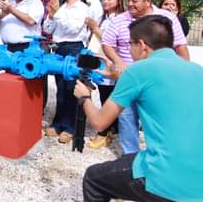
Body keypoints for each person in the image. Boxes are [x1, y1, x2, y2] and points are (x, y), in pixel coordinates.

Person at [75, 15, 203, 202]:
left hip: (167, 177)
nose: (128, 49)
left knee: (94, 179)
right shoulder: (196, 70)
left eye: (129, 44)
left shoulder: (138, 70)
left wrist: (84, 96)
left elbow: (99, 123)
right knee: (128, 163)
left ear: (142, 45)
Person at [102, 0, 189, 154]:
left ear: (148, 1)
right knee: (127, 118)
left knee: (158, 118)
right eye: (128, 1)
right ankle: (131, 157)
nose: (130, 4)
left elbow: (180, 47)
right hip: (129, 78)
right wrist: (118, 62)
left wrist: (182, 71)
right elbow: (107, 44)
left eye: (135, 1)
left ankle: (161, 154)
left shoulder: (166, 19)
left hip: (159, 81)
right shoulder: (119, 20)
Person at [42, 0, 90, 144]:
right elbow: (47, 29)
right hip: (60, 48)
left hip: (74, 48)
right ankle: (58, 124)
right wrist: (51, 15)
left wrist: (57, 13)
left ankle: (70, 127)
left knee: (71, 89)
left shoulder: (82, 8)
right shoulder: (61, 8)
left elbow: (72, 28)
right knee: (60, 88)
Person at [85, 0, 125, 149]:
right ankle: (111, 128)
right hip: (98, 59)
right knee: (102, 94)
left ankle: (105, 130)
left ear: (119, 1)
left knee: (108, 97)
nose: (106, 1)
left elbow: (109, 41)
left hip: (109, 61)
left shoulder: (119, 20)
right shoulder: (104, 18)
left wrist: (95, 28)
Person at [29, 0, 51, 111]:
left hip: (42, 44)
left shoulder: (47, 5)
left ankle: (40, 107)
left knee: (40, 75)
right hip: (27, 43)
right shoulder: (26, 3)